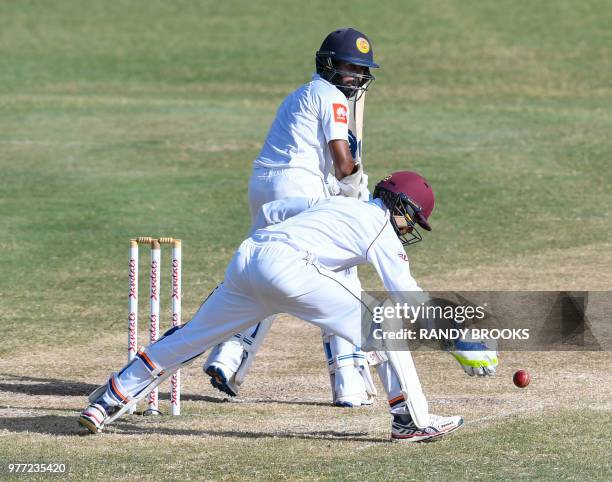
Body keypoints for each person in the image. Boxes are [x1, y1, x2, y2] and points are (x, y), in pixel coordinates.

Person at [79, 171, 498, 442]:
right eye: (411, 220)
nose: (408, 230)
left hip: (250, 258)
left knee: (190, 338)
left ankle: (107, 400)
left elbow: (272, 210)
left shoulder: (335, 203)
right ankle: (412, 420)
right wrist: (456, 339)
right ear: (399, 208)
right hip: (290, 268)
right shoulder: (379, 228)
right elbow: (405, 292)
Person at [202, 27, 380, 407]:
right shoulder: (333, 98)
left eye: (361, 70)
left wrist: (341, 187)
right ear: (329, 66)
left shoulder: (300, 94)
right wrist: (355, 192)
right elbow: (341, 161)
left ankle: (228, 356)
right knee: (340, 271)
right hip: (299, 191)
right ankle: (348, 381)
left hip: (266, 190)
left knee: (266, 274)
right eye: (350, 68)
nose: (356, 77)